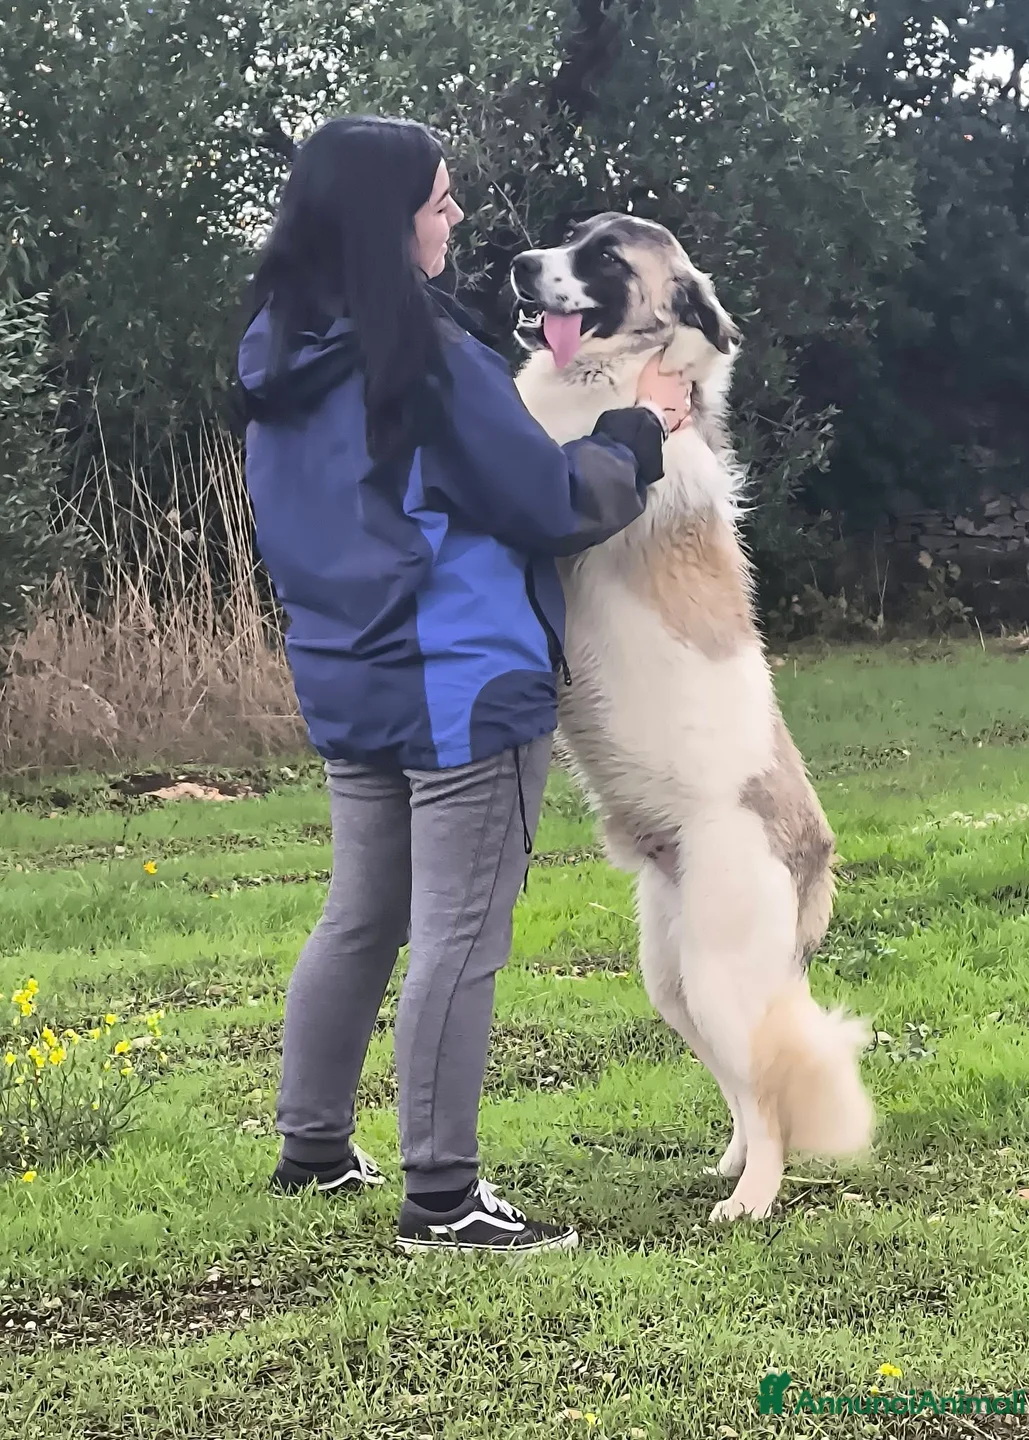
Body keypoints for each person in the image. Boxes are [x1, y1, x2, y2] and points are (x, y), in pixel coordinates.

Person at [236, 114, 692, 1255]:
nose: (453, 219)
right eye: (439, 202)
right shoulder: (430, 361)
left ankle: (314, 1152)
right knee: (456, 938)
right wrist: (639, 432)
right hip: (464, 688)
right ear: (391, 221)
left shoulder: (276, 355)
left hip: (349, 683)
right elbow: (548, 502)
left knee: (363, 916)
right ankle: (442, 1200)